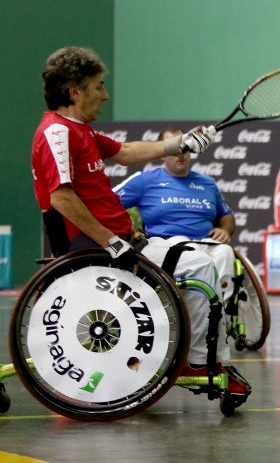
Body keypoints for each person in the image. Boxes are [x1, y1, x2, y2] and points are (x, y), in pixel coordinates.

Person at [30, 46, 251, 399]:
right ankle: (197, 364)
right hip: (103, 248)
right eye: (98, 86)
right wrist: (110, 241)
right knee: (200, 270)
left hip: (124, 241)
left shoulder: (79, 130)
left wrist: (182, 142)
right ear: (75, 92)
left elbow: (126, 152)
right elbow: (61, 197)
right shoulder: (58, 133)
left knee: (205, 261)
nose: (105, 94)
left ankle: (195, 358)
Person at [114, 126, 238, 302]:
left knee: (225, 251)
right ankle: (199, 316)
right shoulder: (144, 181)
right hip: (170, 244)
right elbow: (109, 203)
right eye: (174, 148)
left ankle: (220, 312)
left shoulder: (207, 183)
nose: (180, 153)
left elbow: (227, 216)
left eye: (185, 148)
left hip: (206, 241)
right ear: (161, 153)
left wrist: (225, 230)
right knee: (198, 259)